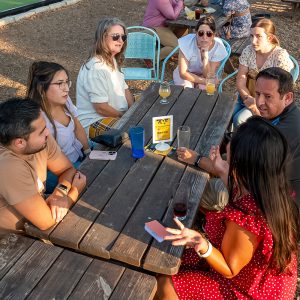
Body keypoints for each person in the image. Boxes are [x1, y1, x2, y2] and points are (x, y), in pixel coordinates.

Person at [156, 117, 299, 299]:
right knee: (172, 257)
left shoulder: (246, 219)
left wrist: (203, 244)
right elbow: (234, 186)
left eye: (229, 161)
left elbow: (230, 269)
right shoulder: (271, 190)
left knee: (167, 283)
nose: (225, 163)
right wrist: (219, 167)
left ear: (243, 170)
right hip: (266, 280)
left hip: (249, 290)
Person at [177, 67, 300, 208]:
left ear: (288, 97)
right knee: (220, 158)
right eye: (258, 93)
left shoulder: (277, 137)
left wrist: (197, 159)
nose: (259, 102)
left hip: (278, 205)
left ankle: (217, 222)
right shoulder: (290, 115)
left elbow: (238, 175)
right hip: (265, 181)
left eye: (268, 96)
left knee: (194, 188)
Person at [0, 99, 86, 236]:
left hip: (32, 228)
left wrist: (60, 193)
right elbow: (46, 221)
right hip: (12, 244)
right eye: (41, 132)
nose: (48, 132)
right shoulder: (8, 165)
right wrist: (74, 192)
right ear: (20, 142)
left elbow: (67, 169)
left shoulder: (40, 141)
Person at [26, 61, 90, 193]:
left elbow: (78, 128)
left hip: (79, 152)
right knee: (95, 177)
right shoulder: (38, 119)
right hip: (59, 171)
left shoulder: (65, 101)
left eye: (67, 82)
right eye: (60, 83)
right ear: (42, 88)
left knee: (113, 151)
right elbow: (45, 162)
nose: (66, 88)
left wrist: (88, 152)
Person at [77, 18, 134, 138]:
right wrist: (126, 117)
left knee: (146, 102)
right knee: (131, 132)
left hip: (115, 113)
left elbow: (125, 89)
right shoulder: (96, 68)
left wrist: (134, 111)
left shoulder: (111, 59)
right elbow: (101, 108)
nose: (120, 40)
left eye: (123, 37)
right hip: (94, 121)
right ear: (103, 37)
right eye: (115, 37)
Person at [233, 18, 294, 128]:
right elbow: (240, 78)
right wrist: (247, 98)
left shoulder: (279, 57)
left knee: (239, 119)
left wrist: (254, 107)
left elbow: (280, 92)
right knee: (224, 113)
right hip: (246, 94)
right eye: (251, 36)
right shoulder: (248, 50)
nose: (253, 41)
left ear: (270, 38)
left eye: (258, 36)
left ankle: (244, 143)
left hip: (266, 102)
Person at [173, 16, 228, 88]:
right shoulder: (186, 42)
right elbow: (183, 73)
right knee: (187, 89)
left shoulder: (218, 46)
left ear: (213, 35)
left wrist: (205, 57)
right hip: (187, 73)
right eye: (201, 33)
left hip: (204, 75)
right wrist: (205, 81)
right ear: (196, 33)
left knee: (206, 90)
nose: (204, 37)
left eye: (209, 34)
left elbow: (209, 76)